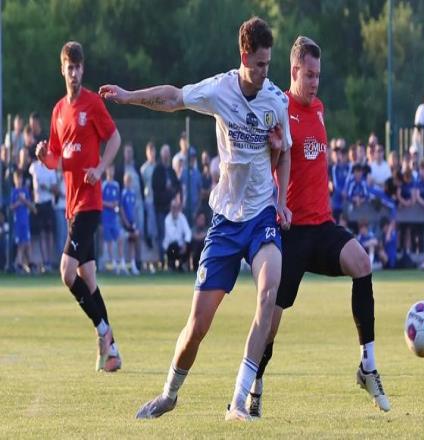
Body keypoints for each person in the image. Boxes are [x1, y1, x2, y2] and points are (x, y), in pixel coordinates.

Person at [99, 16, 292, 421]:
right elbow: (172, 98)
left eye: (269, 64)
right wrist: (129, 96)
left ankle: (238, 401)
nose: (265, 71)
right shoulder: (220, 89)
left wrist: (281, 201)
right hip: (226, 220)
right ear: (244, 57)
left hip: (261, 216)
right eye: (259, 64)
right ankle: (169, 395)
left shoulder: (276, 100)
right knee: (197, 326)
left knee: (268, 292)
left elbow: (284, 151)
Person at [247, 36, 390, 419]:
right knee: (269, 326)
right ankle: (254, 388)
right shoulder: (279, 108)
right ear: (294, 71)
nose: (315, 82)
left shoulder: (320, 109)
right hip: (291, 233)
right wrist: (274, 149)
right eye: (309, 75)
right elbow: (267, 162)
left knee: (362, 263)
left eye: (318, 75)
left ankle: (368, 367)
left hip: (322, 227)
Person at [35, 41, 122, 372]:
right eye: (68, 67)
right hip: (71, 206)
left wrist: (100, 168)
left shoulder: (92, 104)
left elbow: (115, 139)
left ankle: (102, 331)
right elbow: (57, 160)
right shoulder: (58, 111)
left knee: (66, 271)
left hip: (89, 203)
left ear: (83, 69)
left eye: (78, 67)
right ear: (62, 70)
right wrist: (44, 157)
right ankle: (112, 352)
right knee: (88, 277)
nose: (73, 73)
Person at [151, 144, 181, 270]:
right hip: (160, 209)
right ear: (161, 154)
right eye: (164, 153)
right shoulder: (157, 170)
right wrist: (167, 190)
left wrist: (174, 196)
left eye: (168, 153)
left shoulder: (171, 171)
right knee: (162, 235)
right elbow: (155, 188)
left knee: (171, 235)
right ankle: (161, 261)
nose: (166, 155)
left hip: (171, 210)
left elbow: (177, 187)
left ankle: (171, 262)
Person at [102, 165, 127, 274]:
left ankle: (122, 263)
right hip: (106, 217)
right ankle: (113, 264)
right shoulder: (104, 185)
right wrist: (109, 204)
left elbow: (118, 201)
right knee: (109, 242)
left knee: (120, 239)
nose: (111, 171)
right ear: (106, 171)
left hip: (114, 217)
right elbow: (100, 201)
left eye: (112, 169)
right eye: (109, 169)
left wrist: (116, 205)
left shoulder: (116, 185)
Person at [10, 169, 35, 273]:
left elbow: (31, 206)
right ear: (14, 180)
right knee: (21, 243)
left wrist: (24, 201)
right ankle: (19, 264)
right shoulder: (14, 192)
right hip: (18, 222)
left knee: (27, 243)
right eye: (17, 178)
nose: (19, 180)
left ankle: (25, 263)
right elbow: (11, 207)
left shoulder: (25, 191)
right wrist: (18, 202)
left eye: (20, 178)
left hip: (26, 221)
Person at [120, 172, 141, 275]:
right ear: (124, 182)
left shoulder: (133, 194)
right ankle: (123, 263)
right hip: (126, 222)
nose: (128, 183)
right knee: (123, 240)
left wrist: (134, 221)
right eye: (127, 181)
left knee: (132, 242)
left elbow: (134, 209)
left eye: (130, 181)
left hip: (132, 222)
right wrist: (125, 221)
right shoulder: (123, 193)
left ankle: (133, 264)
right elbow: (122, 208)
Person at [163, 199, 192, 272]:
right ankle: (171, 265)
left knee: (189, 245)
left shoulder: (182, 217)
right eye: (173, 207)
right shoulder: (167, 219)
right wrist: (181, 245)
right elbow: (172, 237)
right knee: (173, 246)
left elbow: (188, 232)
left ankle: (182, 265)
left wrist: (185, 244)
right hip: (171, 246)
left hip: (181, 245)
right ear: (170, 208)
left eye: (176, 207)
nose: (175, 209)